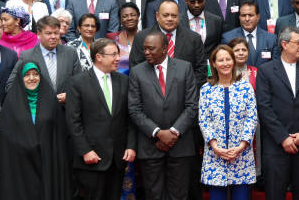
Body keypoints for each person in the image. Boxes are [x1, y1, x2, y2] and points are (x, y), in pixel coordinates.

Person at [256, 26, 299, 200]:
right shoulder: (266, 70)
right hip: (276, 146)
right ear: (284, 44)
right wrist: (283, 137)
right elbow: (264, 107)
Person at [128, 31, 198, 200]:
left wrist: (173, 132)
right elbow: (134, 109)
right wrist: (158, 133)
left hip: (180, 144)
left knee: (179, 195)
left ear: (165, 48)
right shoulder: (137, 72)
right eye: (144, 49)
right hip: (150, 145)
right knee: (154, 194)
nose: (146, 52)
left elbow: (192, 105)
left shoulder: (184, 67)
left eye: (151, 49)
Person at [66, 38, 137, 200]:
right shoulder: (77, 82)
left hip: (118, 159)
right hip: (91, 159)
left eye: (118, 54)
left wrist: (131, 146)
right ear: (99, 57)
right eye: (113, 54)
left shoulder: (124, 81)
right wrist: (85, 150)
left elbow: (130, 117)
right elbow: (73, 121)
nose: (118, 58)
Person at [0, 60, 71, 200]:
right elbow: (5, 139)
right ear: (20, 78)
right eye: (27, 75)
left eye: (35, 74)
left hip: (47, 162)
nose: (32, 78)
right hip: (19, 165)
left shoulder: (51, 101)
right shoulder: (11, 103)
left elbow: (59, 135)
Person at [199, 44, 257, 200]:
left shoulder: (245, 87)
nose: (225, 63)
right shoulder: (206, 89)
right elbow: (203, 120)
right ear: (214, 64)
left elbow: (252, 118)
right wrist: (216, 147)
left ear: (233, 61)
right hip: (215, 155)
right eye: (220, 60)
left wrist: (241, 146)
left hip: (241, 155)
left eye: (228, 59)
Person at [221, 0, 277, 68]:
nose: (247, 19)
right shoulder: (228, 38)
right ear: (239, 17)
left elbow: (275, 66)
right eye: (243, 15)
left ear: (258, 17)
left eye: (250, 15)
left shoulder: (271, 39)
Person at [112, 2, 140, 73]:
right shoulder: (114, 40)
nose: (129, 18)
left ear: (138, 16)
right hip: (121, 80)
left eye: (132, 15)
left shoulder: (146, 37)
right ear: (120, 19)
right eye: (125, 16)